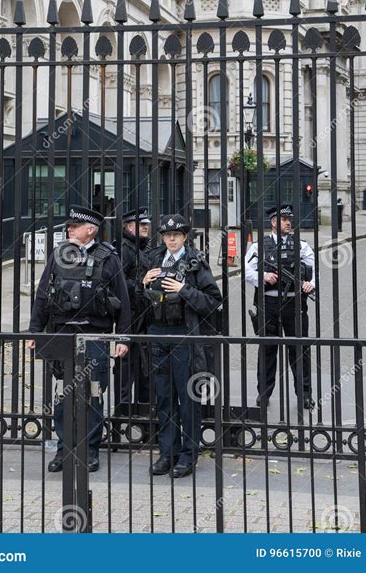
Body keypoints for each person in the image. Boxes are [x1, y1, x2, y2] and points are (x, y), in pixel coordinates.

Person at [27, 205, 130, 473]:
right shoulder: (59, 255)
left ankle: (90, 448)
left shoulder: (108, 258)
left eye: (74, 226)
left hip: (93, 335)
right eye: (69, 226)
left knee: (93, 393)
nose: (69, 230)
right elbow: (42, 293)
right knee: (63, 394)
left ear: (91, 230)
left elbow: (124, 302)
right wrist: (35, 331)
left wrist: (123, 338)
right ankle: (64, 448)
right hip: (62, 333)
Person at [140, 214, 222, 478]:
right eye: (167, 235)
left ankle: (188, 454)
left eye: (176, 235)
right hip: (157, 334)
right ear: (162, 237)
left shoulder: (195, 262)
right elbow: (139, 300)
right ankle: (168, 453)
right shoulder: (153, 259)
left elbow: (213, 301)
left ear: (185, 236)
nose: (172, 239)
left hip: (184, 335)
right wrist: (143, 284)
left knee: (187, 399)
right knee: (164, 398)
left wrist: (184, 288)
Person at [244, 204, 315, 410]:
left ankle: (304, 395)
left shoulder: (301, 245)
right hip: (269, 303)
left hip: (294, 303)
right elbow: (246, 269)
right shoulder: (259, 247)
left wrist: (311, 284)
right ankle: (264, 394)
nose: (288, 222)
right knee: (267, 349)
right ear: (273, 222)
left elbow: (313, 270)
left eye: (289, 219)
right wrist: (263, 276)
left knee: (299, 350)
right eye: (284, 219)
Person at [113, 207, 151, 414]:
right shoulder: (124, 248)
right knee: (126, 367)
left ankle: (144, 416)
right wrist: (142, 284)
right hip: (130, 315)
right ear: (128, 227)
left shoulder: (143, 247)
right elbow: (117, 283)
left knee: (145, 368)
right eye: (141, 224)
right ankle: (122, 416)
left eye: (147, 224)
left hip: (144, 315)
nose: (146, 227)